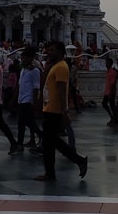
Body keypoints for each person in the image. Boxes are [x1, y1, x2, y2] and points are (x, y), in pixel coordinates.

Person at [34, 41, 88, 182]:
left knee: (50, 143)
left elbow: (63, 90)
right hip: (50, 107)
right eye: (48, 50)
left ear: (61, 52)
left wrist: (65, 112)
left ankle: (54, 171)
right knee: (53, 142)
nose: (49, 52)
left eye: (52, 50)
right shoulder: (56, 66)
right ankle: (76, 161)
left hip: (54, 110)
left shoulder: (61, 67)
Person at [15, 47, 42, 148]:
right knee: (29, 122)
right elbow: (19, 84)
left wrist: (35, 103)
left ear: (31, 59)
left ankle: (20, 143)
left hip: (28, 100)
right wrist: (15, 98)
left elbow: (36, 88)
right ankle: (34, 139)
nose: (23, 60)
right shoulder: (23, 70)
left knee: (22, 123)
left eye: (25, 58)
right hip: (22, 99)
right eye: (22, 58)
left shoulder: (34, 71)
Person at [101, 57, 118, 124]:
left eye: (107, 63)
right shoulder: (109, 72)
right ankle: (113, 118)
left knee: (107, 104)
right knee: (111, 105)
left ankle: (113, 118)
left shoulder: (112, 72)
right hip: (108, 91)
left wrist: (110, 93)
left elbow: (112, 83)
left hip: (110, 92)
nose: (106, 64)